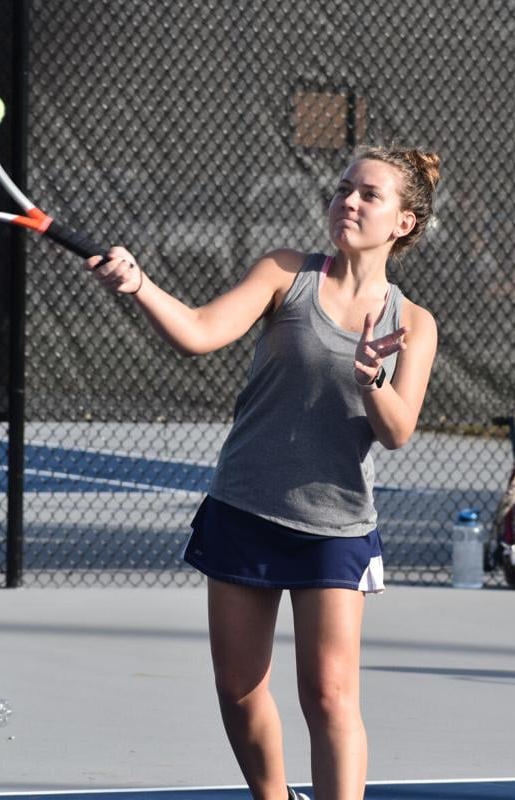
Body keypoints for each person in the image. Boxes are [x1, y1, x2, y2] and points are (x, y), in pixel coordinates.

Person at [87, 146, 441, 800]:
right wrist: (139, 285)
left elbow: (397, 431)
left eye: (369, 194)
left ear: (404, 223)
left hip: (335, 529)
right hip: (245, 510)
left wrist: (371, 380)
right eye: (343, 190)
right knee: (240, 689)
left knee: (330, 696)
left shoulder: (413, 323)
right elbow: (197, 331)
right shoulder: (286, 272)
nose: (349, 203)